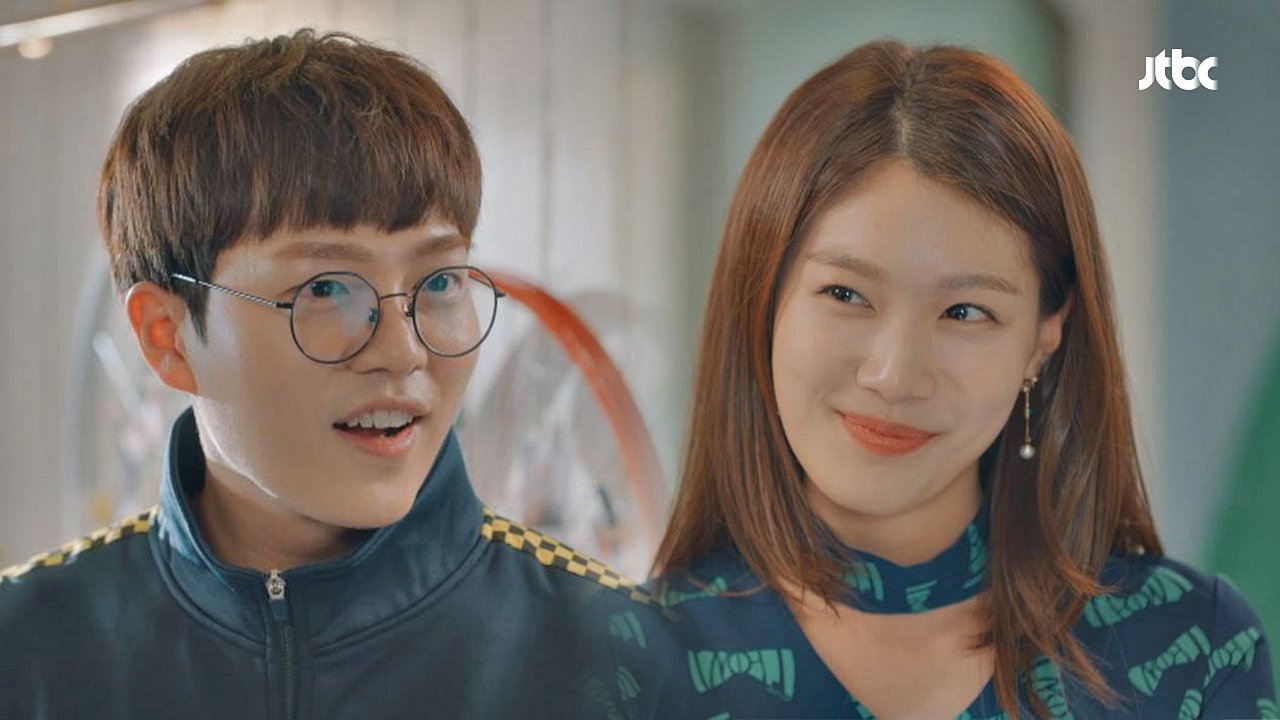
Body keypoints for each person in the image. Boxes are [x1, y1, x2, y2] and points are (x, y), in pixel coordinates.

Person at [603, 41, 1277, 719]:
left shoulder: (1195, 653)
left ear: (1045, 335)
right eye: (845, 294)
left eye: (965, 312)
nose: (894, 376)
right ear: (763, 296)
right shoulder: (627, 670)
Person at [0, 29, 654, 718]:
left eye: (439, 281)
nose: (402, 351)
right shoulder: (23, 653)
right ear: (168, 337)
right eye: (326, 289)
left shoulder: (621, 659)